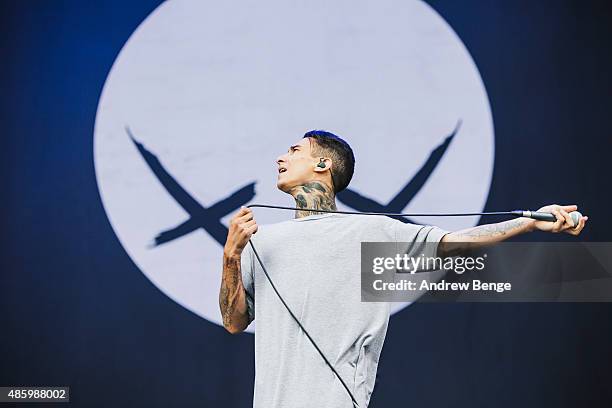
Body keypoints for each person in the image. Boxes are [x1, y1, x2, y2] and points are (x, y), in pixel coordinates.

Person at [219, 130, 587, 408]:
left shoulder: (371, 230)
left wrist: (528, 223)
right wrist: (231, 256)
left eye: (294, 150)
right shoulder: (259, 240)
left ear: (323, 164)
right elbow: (234, 322)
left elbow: (456, 241)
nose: (280, 158)